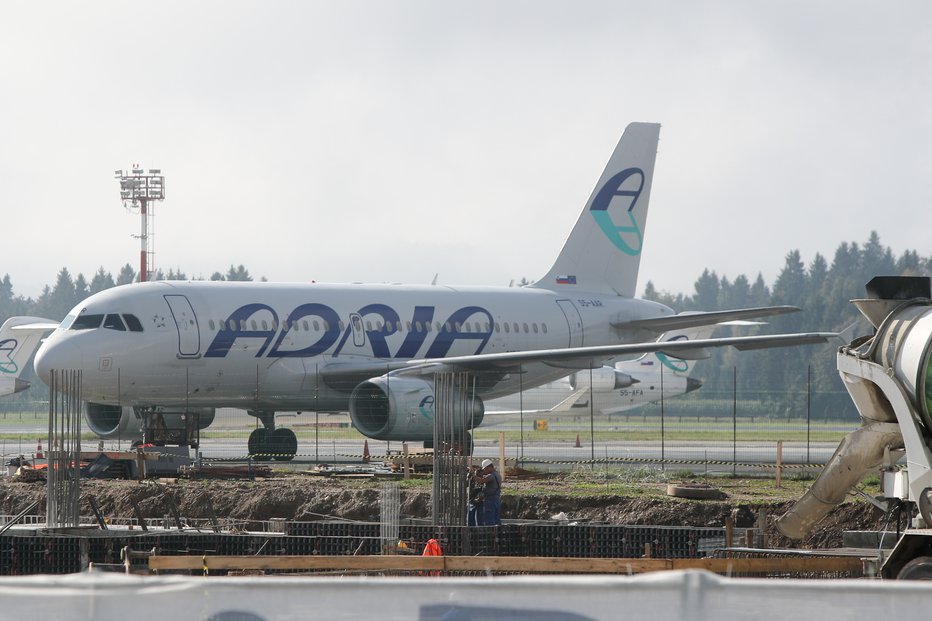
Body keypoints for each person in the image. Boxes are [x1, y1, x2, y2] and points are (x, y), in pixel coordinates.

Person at [472, 458, 502, 526]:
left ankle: (491, 535)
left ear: (489, 467)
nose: (484, 471)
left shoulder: (491, 476)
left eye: (484, 469)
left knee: (489, 521)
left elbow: (482, 481)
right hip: (497, 500)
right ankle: (497, 535)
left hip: (491, 501)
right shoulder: (497, 474)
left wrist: (473, 476)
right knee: (496, 520)